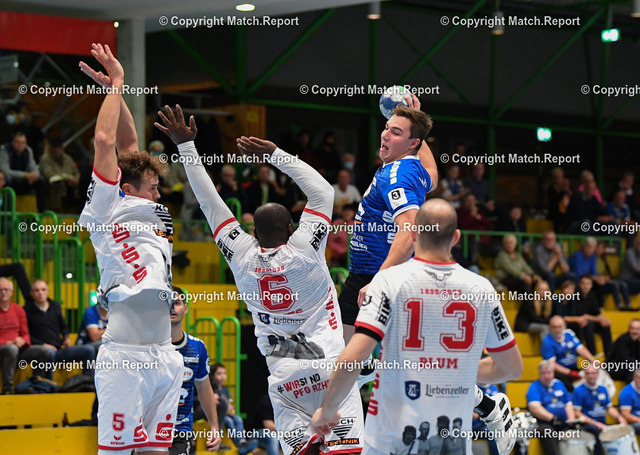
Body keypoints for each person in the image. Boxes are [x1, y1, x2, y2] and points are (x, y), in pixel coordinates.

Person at [154, 106, 364, 455]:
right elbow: (323, 193)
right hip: (329, 370)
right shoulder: (305, 249)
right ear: (292, 228)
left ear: (252, 232)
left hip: (286, 379)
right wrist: (275, 154)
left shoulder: (241, 255)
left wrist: (186, 146)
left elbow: (209, 202)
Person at [311, 199, 523, 455]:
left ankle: (485, 405)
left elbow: (352, 358)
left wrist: (328, 410)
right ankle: (487, 406)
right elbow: (512, 368)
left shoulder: (387, 281)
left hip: (389, 440)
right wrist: (452, 370)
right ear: (456, 237)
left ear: (413, 234)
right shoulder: (481, 288)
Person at [78, 43, 183, 454]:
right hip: (125, 359)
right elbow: (105, 140)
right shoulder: (107, 205)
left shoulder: (146, 206)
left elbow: (129, 141)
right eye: (152, 187)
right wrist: (118, 82)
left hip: (165, 356)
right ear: (126, 188)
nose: (158, 194)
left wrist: (114, 93)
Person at [339, 97, 437, 349]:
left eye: (395, 132)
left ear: (412, 143)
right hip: (365, 274)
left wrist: (379, 281)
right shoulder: (411, 167)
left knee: (354, 357)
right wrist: (416, 122)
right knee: (343, 356)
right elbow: (433, 176)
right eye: (386, 128)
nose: (385, 135)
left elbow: (410, 230)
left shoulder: (396, 176)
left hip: (379, 277)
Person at [170, 286, 220, 454]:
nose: (172, 307)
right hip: (150, 428)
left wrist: (214, 426)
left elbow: (204, 388)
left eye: (177, 303)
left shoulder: (197, 347)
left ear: (185, 309)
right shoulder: (149, 346)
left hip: (180, 430)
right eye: (167, 303)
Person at [23, 279, 96, 379]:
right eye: (37, 290)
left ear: (47, 291)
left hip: (59, 350)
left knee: (88, 350)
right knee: (48, 353)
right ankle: (50, 385)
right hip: (41, 352)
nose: (40, 293)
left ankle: (87, 382)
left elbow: (64, 326)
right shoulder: (26, 310)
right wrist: (43, 345)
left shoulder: (55, 306)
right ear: (31, 293)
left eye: (43, 290)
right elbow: (26, 335)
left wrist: (66, 337)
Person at [572, 363, 626, 455]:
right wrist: (596, 424)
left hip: (602, 423)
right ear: (584, 375)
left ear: (598, 374)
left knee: (618, 429)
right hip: (587, 425)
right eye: (588, 373)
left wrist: (619, 417)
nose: (591, 376)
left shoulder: (603, 388)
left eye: (593, 373)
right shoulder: (579, 390)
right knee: (595, 429)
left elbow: (610, 408)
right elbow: (577, 413)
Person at [526, 359, 576, 455]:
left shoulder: (559, 384)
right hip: (542, 423)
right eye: (543, 373)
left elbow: (568, 404)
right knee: (548, 432)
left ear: (553, 373)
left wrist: (571, 421)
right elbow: (535, 408)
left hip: (562, 422)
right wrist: (552, 418)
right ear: (539, 374)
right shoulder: (534, 386)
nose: (546, 376)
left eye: (548, 373)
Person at [569, 236, 633, 310]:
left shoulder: (593, 257)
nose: (590, 250)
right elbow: (579, 273)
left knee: (601, 284)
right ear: (584, 246)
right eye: (589, 247)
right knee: (594, 284)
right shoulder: (577, 256)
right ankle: (598, 307)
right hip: (578, 280)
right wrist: (594, 278)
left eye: (592, 248)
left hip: (590, 280)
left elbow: (594, 272)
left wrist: (599, 279)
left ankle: (603, 307)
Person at [210, 362, 257, 453]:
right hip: (216, 414)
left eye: (224, 373)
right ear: (212, 375)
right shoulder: (211, 388)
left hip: (225, 414)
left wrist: (231, 409)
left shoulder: (225, 389)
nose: (222, 376)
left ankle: (242, 441)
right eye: (219, 374)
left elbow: (228, 404)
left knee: (238, 419)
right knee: (229, 421)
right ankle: (239, 444)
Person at [540, 316, 595, 391]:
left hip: (574, 368)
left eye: (559, 327)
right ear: (550, 327)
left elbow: (580, 348)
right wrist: (570, 373)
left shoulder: (569, 333)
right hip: (560, 373)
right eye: (554, 327)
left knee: (592, 375)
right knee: (570, 386)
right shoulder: (547, 341)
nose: (557, 330)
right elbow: (552, 364)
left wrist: (593, 361)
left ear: (564, 326)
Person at [0, 131, 47, 212]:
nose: (20, 145)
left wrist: (34, 175)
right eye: (18, 142)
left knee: (40, 180)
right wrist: (25, 175)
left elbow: (33, 167)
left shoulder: (28, 150)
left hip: (24, 182)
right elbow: (6, 171)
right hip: (11, 182)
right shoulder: (4, 150)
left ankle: (42, 212)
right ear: (13, 142)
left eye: (23, 143)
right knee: (7, 178)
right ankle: (8, 212)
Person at [39, 136, 80, 211]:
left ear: (62, 148)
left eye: (59, 147)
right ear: (51, 148)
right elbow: (49, 175)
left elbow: (76, 172)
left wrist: (76, 179)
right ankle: (56, 210)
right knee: (57, 184)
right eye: (55, 148)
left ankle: (80, 210)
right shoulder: (45, 159)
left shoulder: (68, 158)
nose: (57, 150)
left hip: (71, 184)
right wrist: (66, 177)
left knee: (85, 183)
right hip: (53, 185)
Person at [577, 275, 612, 355]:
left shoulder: (592, 295)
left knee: (605, 325)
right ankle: (592, 354)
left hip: (590, 321)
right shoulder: (575, 296)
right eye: (583, 283)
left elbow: (597, 313)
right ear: (579, 284)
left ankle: (609, 354)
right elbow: (582, 316)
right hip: (579, 323)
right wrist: (595, 318)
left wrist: (603, 319)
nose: (585, 286)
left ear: (591, 285)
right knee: (588, 324)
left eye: (588, 284)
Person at [618, 369, 640, 434]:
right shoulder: (626, 392)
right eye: (638, 377)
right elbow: (626, 415)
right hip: (631, 423)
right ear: (634, 378)